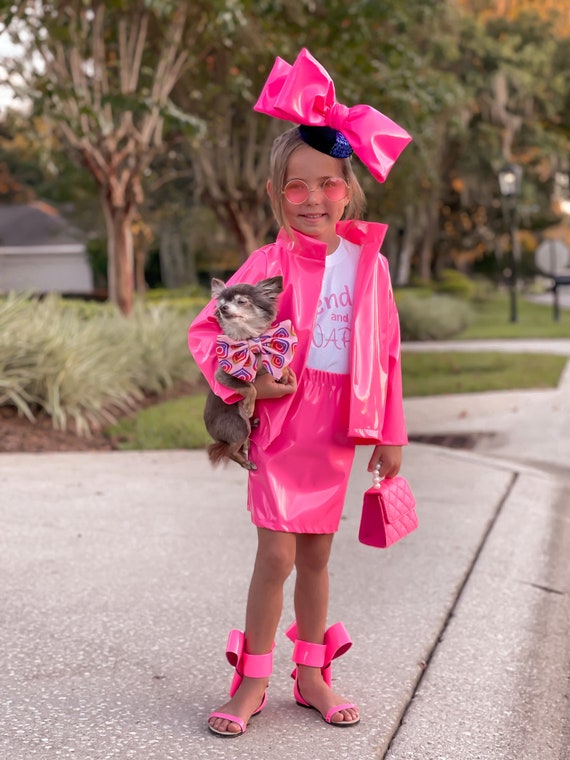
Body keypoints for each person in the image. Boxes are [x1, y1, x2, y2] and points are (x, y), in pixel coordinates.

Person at [188, 48, 412, 737]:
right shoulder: (268, 263)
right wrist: (250, 380)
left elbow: (388, 352)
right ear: (275, 194)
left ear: (349, 189)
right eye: (297, 188)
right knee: (278, 553)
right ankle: (253, 677)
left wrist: (393, 433)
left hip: (340, 423)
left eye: (328, 185)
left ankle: (312, 674)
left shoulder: (367, 266)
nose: (313, 199)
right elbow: (212, 330)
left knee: (317, 553)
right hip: (284, 421)